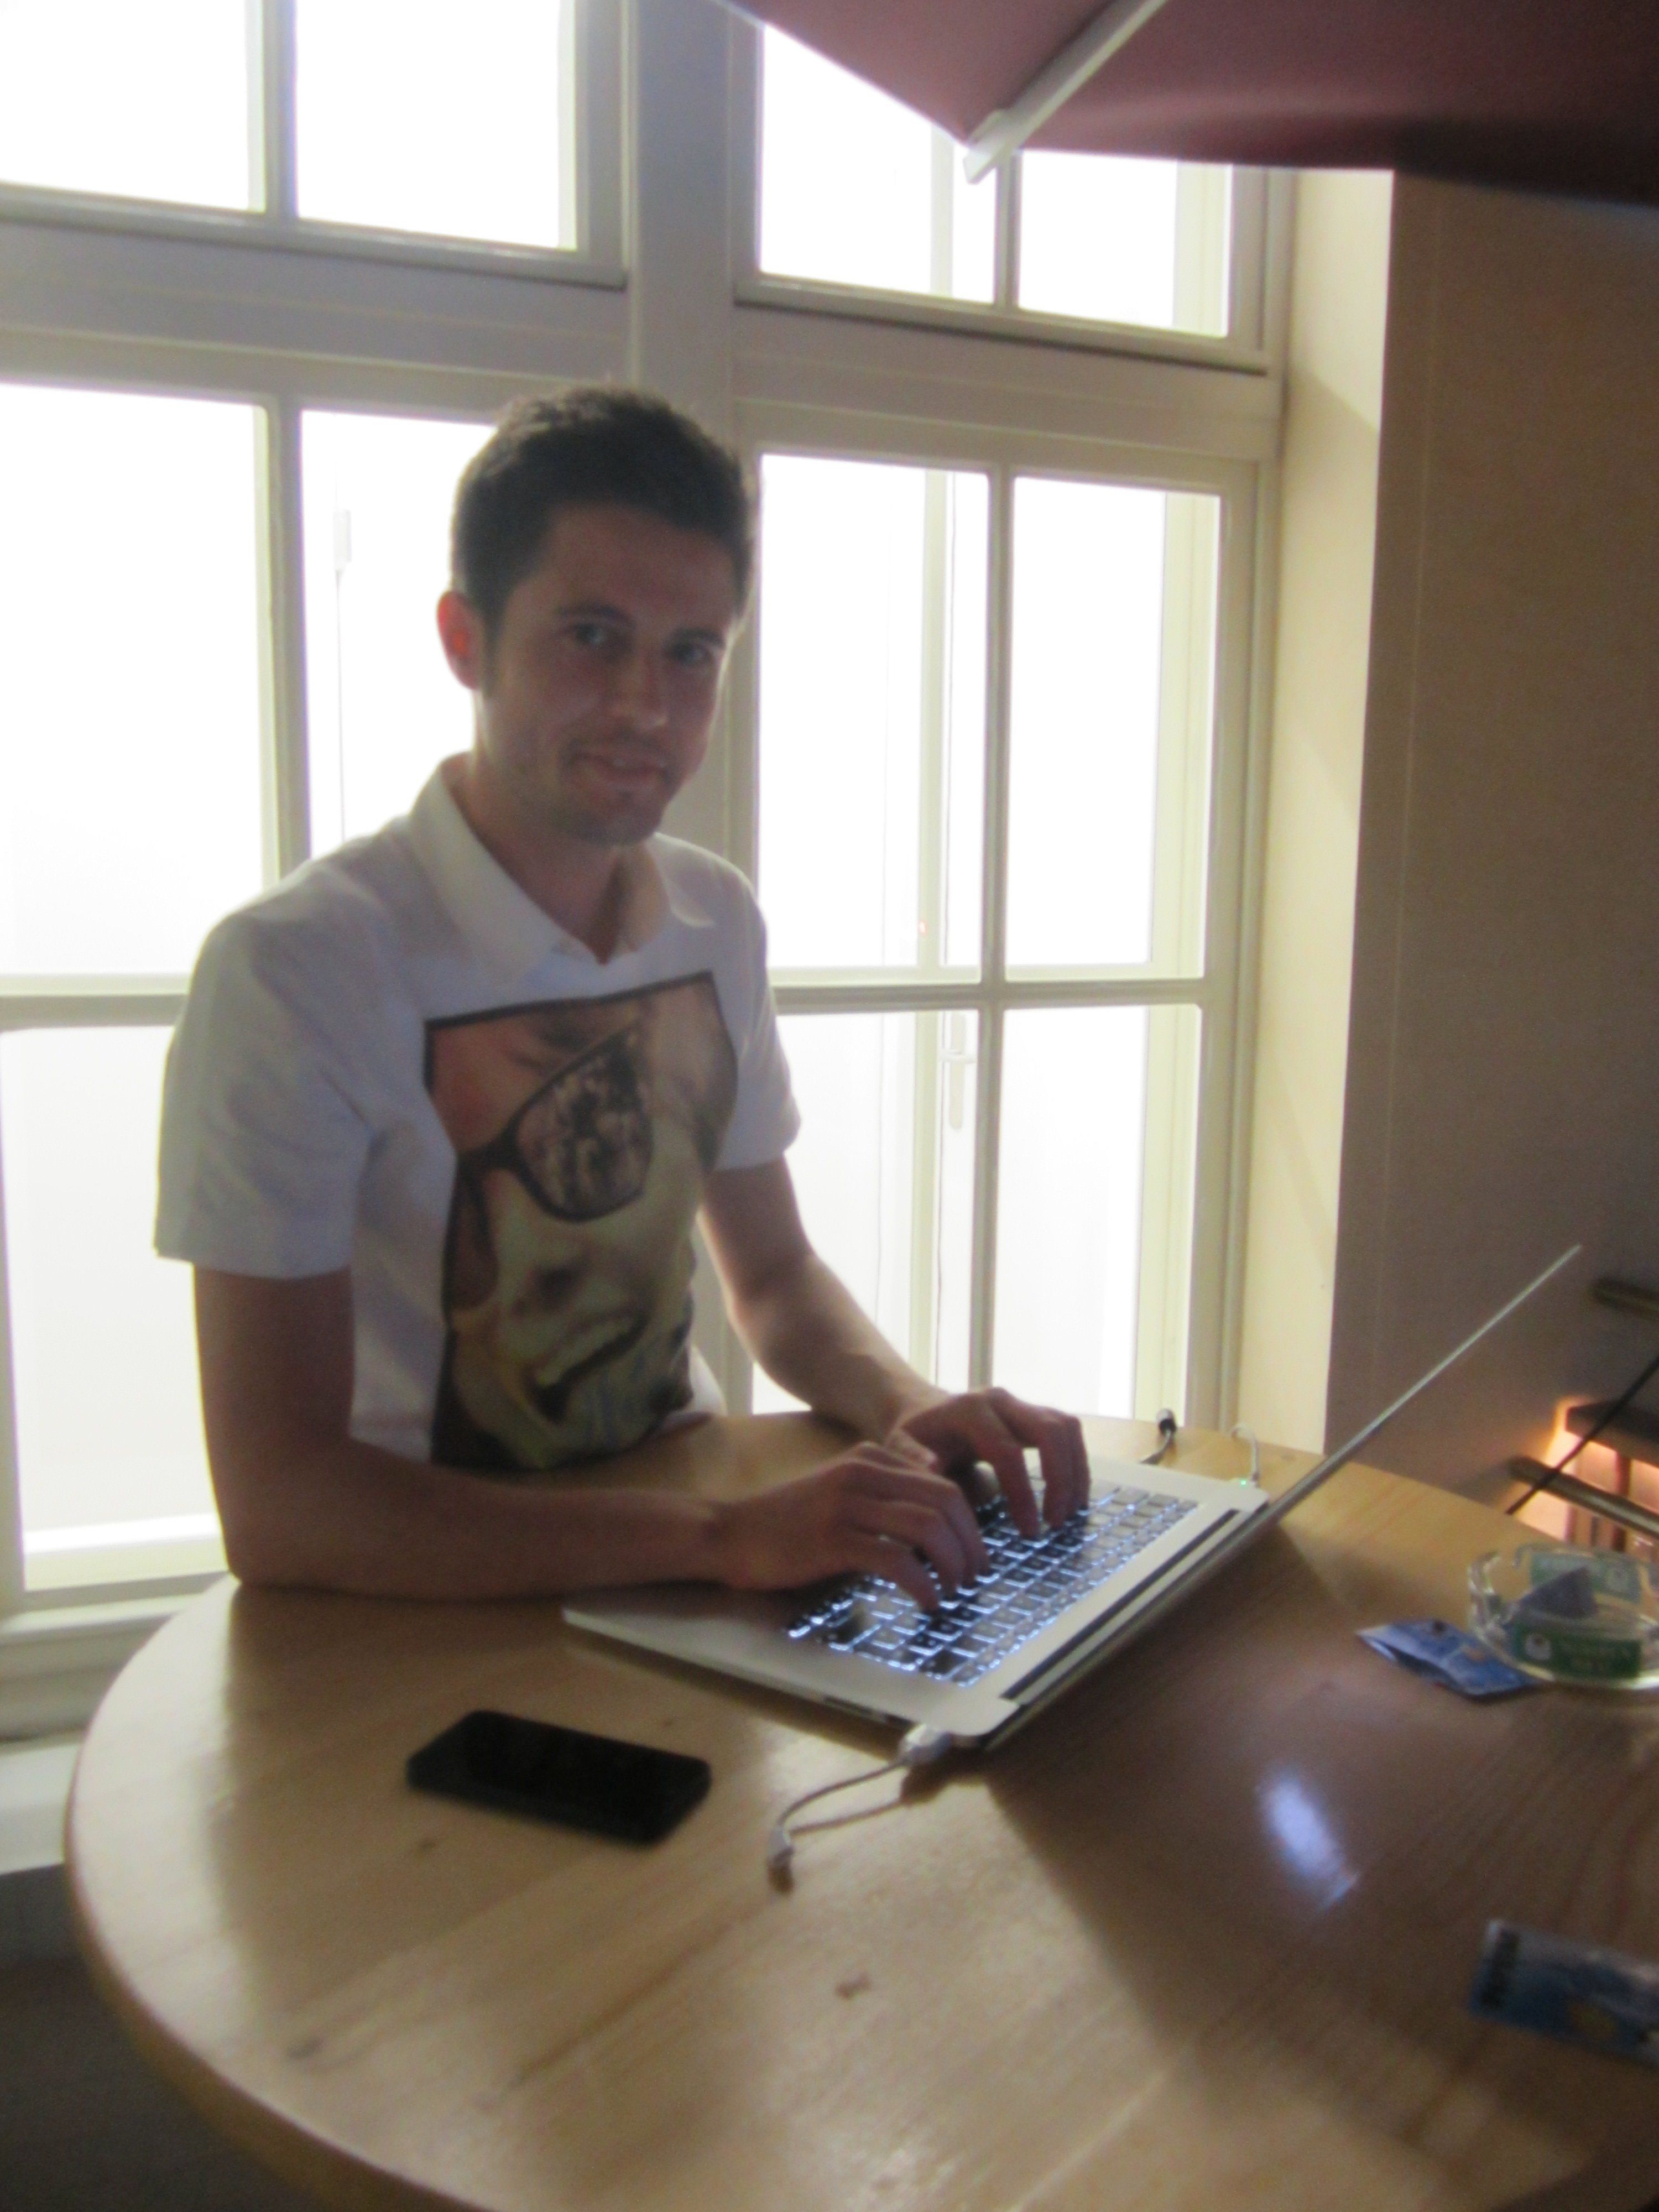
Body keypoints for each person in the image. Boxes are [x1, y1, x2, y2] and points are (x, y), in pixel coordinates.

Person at [156, 387, 1088, 1611]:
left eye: (691, 652)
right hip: (407, 1607)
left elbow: (775, 1276)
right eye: (592, 636)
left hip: (678, 1563)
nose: (647, 706)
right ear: (464, 640)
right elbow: (282, 1503)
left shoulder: (715, 919)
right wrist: (720, 1536)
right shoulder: (294, 971)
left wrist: (912, 1406)